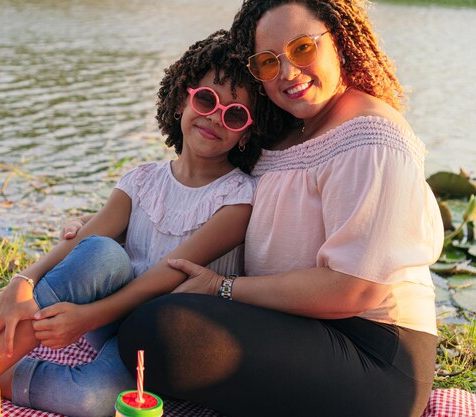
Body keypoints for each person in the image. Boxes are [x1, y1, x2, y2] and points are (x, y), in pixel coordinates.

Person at [0, 30, 271, 417]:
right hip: (110, 311)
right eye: (206, 99)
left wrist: (88, 317)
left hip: (157, 332)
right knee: (102, 252)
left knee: (93, 399)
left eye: (234, 115)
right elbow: (89, 236)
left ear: (245, 134)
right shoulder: (142, 179)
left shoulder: (237, 198)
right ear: (181, 101)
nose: (215, 118)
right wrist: (24, 280)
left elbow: (167, 277)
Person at [111, 2, 445, 417]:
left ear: (338, 41)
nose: (287, 72)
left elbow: (354, 290)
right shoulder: (282, 132)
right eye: (268, 62)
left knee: (159, 330)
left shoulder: (371, 136)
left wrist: (222, 287)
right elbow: (208, 198)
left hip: (373, 354)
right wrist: (116, 226)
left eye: (302, 48)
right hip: (294, 325)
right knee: (152, 321)